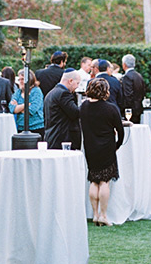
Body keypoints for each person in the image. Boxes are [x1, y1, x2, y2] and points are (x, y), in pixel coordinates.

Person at [80, 76, 125, 226]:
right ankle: (103, 215)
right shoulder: (110, 108)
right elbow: (121, 131)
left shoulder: (83, 107)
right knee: (105, 181)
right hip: (107, 148)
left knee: (94, 180)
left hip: (90, 147)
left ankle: (95, 214)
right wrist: (117, 145)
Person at [43, 70, 81, 150]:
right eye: (77, 83)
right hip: (63, 140)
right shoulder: (64, 94)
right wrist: (86, 104)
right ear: (70, 81)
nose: (77, 86)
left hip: (52, 137)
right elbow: (75, 113)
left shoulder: (51, 93)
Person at [9, 70, 44, 135]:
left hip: (36, 127)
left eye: (22, 79)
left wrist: (18, 107)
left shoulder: (36, 91)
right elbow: (12, 109)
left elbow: (32, 110)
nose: (20, 81)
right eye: (19, 79)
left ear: (29, 79)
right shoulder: (18, 92)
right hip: (21, 127)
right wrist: (26, 104)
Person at [120, 54, 145, 122]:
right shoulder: (139, 75)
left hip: (130, 110)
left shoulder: (127, 76)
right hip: (138, 108)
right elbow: (142, 93)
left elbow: (128, 95)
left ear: (124, 65)